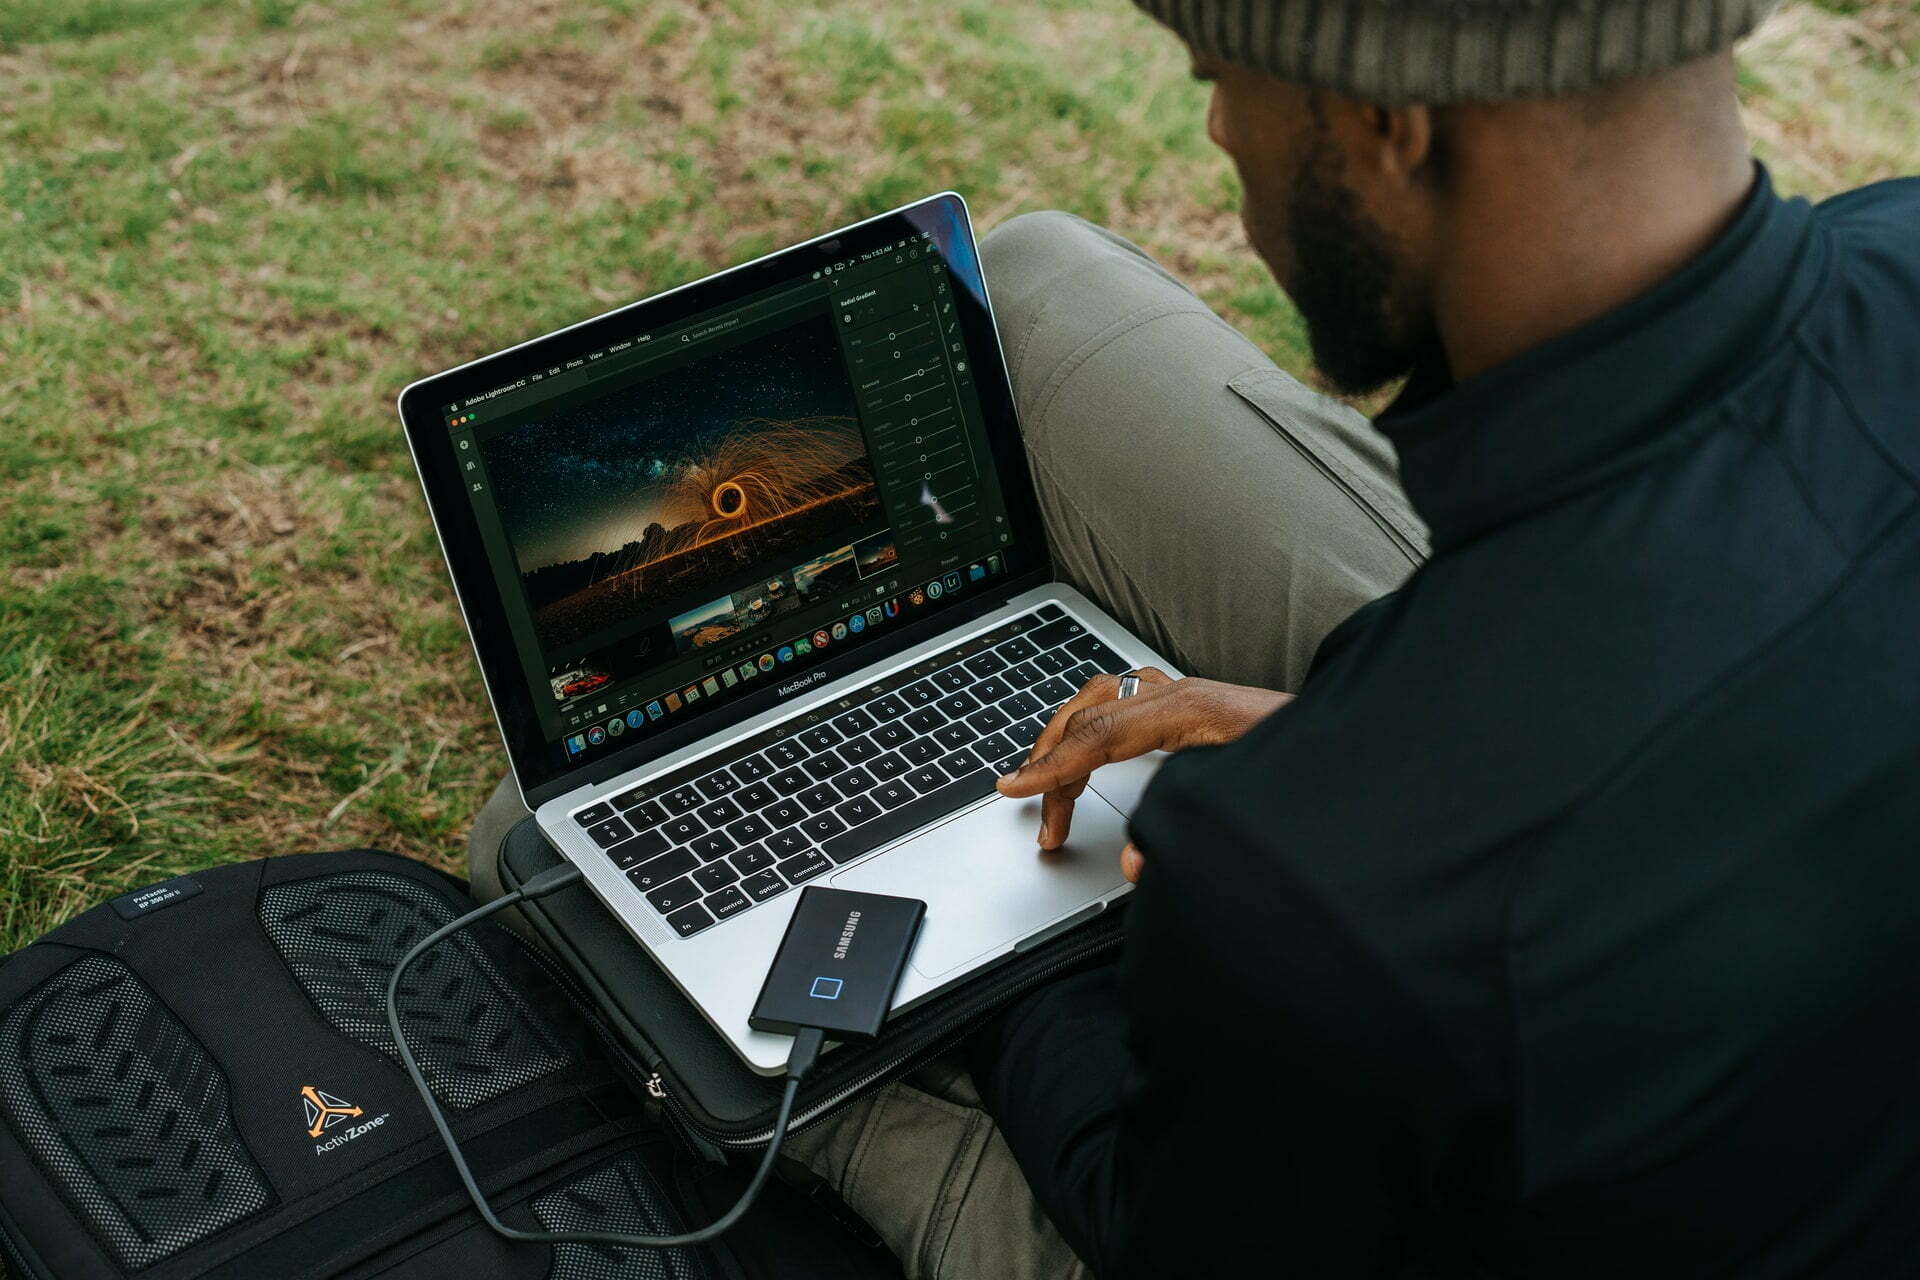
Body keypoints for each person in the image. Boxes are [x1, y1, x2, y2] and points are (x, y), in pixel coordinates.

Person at [469, 0, 1920, 1270]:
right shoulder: (1901, 245)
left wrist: (986, 971)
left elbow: (1154, 1218)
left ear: (1388, 119)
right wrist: (1329, 748)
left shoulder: (1328, 900)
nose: (1222, 130)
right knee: (1023, 282)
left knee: (533, 863)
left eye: (1222, 75)